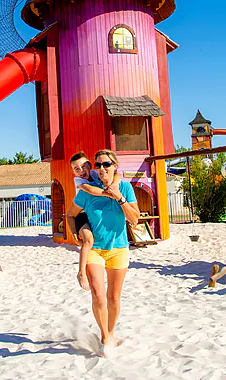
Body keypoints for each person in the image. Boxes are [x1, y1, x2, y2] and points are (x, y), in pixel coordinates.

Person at [66, 150, 139, 357]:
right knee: (98, 295)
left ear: (115, 165)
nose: (101, 168)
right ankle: (105, 335)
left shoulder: (124, 186)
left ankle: (111, 330)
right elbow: (70, 215)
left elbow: (134, 220)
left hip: (118, 248)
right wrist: (74, 234)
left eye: (106, 164)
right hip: (95, 250)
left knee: (114, 298)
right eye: (98, 165)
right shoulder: (87, 190)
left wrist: (119, 198)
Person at [69, 152, 121, 292]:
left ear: (90, 165)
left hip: (93, 214)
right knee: (88, 240)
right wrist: (108, 193)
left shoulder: (96, 173)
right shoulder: (78, 181)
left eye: (83, 166)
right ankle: (81, 273)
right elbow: (90, 190)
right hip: (81, 215)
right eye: (76, 169)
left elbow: (117, 175)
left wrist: (114, 185)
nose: (81, 171)